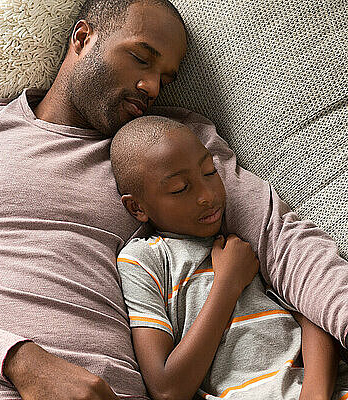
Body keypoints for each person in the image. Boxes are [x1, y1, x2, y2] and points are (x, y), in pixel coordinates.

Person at [0, 0, 348, 398]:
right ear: (82, 38)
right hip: (2, 387)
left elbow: (286, 244)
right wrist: (23, 362)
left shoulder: (174, 149)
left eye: (167, 77)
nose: (153, 86)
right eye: (141, 58)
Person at [112, 115, 347, 400]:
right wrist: (228, 282)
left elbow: (312, 313)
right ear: (137, 208)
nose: (207, 195)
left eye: (210, 171)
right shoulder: (144, 260)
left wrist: (315, 394)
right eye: (180, 189)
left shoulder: (245, 240)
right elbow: (167, 388)